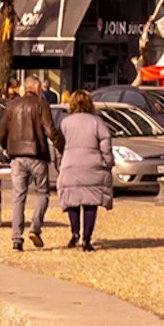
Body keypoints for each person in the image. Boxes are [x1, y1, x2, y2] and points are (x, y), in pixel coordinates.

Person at [0, 75, 60, 250]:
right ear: (38, 89)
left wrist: (6, 148)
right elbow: (50, 129)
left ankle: (16, 239)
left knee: (18, 197)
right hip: (37, 154)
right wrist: (61, 145)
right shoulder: (41, 105)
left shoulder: (12, 106)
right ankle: (35, 227)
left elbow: (1, 132)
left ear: (24, 89)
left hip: (17, 156)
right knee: (42, 193)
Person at [53, 89, 116, 250]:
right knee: (90, 203)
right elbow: (106, 145)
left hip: (70, 165)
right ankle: (86, 239)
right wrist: (108, 162)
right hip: (92, 166)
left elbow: (59, 146)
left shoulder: (65, 123)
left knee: (72, 201)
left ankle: (75, 233)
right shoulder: (97, 122)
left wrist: (61, 164)